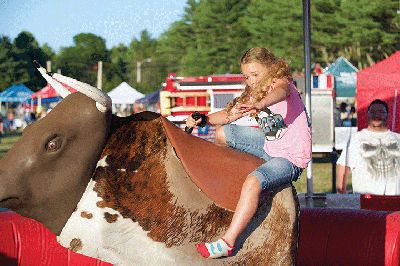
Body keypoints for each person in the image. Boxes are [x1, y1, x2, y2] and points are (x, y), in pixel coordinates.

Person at [186, 47, 312, 259]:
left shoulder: (282, 83)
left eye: (255, 74)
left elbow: (280, 92)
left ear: (271, 69)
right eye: (246, 76)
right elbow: (227, 115)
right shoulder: (252, 94)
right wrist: (203, 120)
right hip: (269, 146)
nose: (251, 80)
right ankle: (227, 183)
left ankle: (228, 242)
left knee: (253, 182)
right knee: (223, 133)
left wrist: (260, 104)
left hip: (290, 157)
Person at [336, 99, 400, 195]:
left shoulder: (398, 139)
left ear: (387, 115)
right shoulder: (356, 139)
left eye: (381, 112)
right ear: (368, 114)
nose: (377, 115)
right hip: (365, 204)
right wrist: (342, 195)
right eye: (373, 112)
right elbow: (344, 167)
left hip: (395, 204)